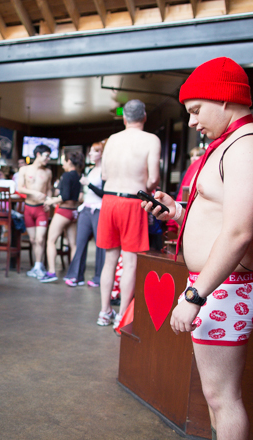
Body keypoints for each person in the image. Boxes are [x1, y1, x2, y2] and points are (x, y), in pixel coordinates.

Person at [141, 57, 253, 440]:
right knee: (214, 389)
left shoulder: (247, 148)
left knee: (224, 395)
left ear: (226, 99)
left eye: (198, 108)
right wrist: (181, 214)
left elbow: (241, 233)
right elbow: (223, 218)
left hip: (227, 287)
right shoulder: (233, 144)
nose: (192, 120)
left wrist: (195, 294)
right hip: (221, 284)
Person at [96, 99, 161, 328]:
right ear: (144, 117)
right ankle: (121, 316)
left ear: (124, 118)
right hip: (133, 202)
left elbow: (103, 173)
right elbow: (153, 178)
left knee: (109, 260)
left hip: (109, 200)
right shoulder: (151, 140)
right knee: (130, 261)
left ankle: (104, 312)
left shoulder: (112, 139)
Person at [64, 140, 107, 288]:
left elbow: (105, 194)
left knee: (100, 245)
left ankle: (99, 277)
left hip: (99, 209)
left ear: (102, 154)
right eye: (91, 151)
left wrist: (88, 184)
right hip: (86, 209)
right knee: (80, 242)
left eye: (95, 151)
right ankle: (75, 276)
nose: (91, 154)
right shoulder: (90, 170)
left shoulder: (104, 171)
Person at [39, 151, 84, 282]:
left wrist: (50, 201)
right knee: (73, 244)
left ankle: (52, 272)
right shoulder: (78, 176)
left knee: (51, 241)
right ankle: (75, 274)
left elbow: (64, 196)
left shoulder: (66, 175)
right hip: (74, 212)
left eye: (64, 161)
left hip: (64, 211)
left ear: (69, 162)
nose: (63, 164)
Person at [16, 145, 53, 279]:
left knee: (40, 238)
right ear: (38, 154)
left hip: (41, 209)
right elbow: (20, 188)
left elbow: (49, 189)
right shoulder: (24, 169)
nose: (48, 159)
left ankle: (38, 265)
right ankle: (38, 265)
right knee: (32, 239)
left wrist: (48, 199)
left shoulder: (48, 172)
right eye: (46, 156)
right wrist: (34, 192)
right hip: (28, 207)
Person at [167, 146, 206, 234]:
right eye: (192, 156)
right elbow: (179, 191)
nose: (194, 158)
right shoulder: (186, 172)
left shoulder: (202, 171)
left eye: (197, 156)